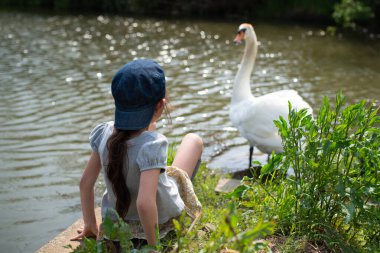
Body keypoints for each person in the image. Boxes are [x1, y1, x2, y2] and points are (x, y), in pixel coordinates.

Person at [71, 59, 203, 247]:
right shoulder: (152, 144)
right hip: (157, 223)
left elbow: (85, 183)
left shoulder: (103, 133)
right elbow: (144, 203)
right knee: (193, 140)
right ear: (160, 105)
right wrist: (152, 246)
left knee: (151, 131)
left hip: (118, 226)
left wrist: (90, 224)